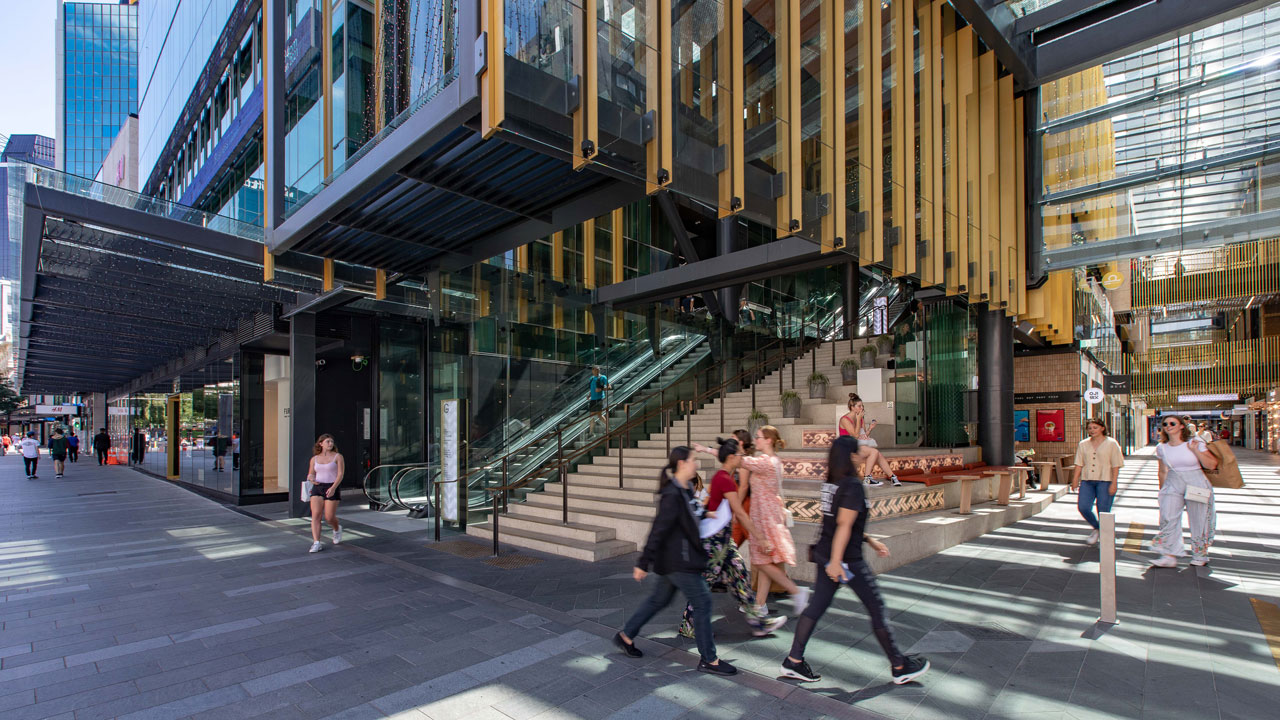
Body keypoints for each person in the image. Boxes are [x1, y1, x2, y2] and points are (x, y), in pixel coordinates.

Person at [779, 435, 931, 685]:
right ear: (850, 455)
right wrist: (838, 562)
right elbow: (843, 525)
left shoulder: (833, 483)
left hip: (827, 555)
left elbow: (844, 522)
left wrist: (870, 540)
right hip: (846, 560)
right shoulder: (851, 485)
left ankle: (794, 660)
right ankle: (900, 665)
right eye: (858, 449)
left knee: (816, 607)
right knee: (876, 607)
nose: (863, 451)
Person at [613, 447, 737, 676]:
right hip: (679, 561)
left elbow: (691, 512)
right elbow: (658, 530)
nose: (696, 464)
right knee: (703, 603)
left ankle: (625, 635)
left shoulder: (686, 488)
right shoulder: (671, 494)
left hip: (679, 559)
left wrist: (705, 514)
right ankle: (709, 659)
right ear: (681, 463)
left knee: (657, 601)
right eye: (693, 460)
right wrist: (643, 563)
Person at [678, 436, 787, 640]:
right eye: (739, 454)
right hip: (713, 541)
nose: (742, 456)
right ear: (730, 457)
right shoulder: (724, 479)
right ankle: (689, 624)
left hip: (723, 541)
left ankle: (759, 623)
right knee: (705, 584)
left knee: (741, 579)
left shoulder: (723, 476)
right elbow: (741, 513)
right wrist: (761, 538)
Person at [695, 426, 810, 618]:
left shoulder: (764, 462)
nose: (755, 440)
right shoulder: (774, 460)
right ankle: (760, 604)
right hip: (766, 513)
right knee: (764, 560)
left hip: (764, 516)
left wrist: (708, 450)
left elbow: (735, 458)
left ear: (769, 440)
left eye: (758, 437)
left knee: (761, 561)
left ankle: (796, 591)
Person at [1150, 415, 1218, 568]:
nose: (1168, 426)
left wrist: (1196, 451)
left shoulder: (1194, 442)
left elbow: (1212, 464)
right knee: (1167, 516)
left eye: (1172, 423)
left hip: (1196, 481)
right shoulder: (1162, 447)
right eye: (1165, 424)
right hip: (1173, 482)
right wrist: (1162, 490)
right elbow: (1162, 470)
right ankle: (1168, 554)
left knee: (1199, 517)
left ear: (1182, 426)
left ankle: (1200, 554)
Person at [1070, 418, 1124, 545]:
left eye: (1095, 427)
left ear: (1102, 428)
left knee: (1103, 510)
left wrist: (1114, 483)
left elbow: (1116, 465)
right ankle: (1097, 528)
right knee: (1083, 507)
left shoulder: (1112, 443)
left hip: (1105, 480)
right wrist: (1075, 480)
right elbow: (1079, 463)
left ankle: (1105, 539)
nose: (1092, 430)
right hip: (1087, 481)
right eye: (1089, 428)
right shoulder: (1083, 444)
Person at [839, 394, 900, 487]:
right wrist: (859, 419)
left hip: (858, 446)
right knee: (874, 452)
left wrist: (870, 429)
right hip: (848, 448)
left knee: (877, 454)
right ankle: (867, 478)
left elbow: (863, 436)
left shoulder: (860, 419)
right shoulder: (845, 419)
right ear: (852, 407)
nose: (862, 408)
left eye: (862, 406)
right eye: (859, 406)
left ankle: (892, 477)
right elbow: (855, 435)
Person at [307, 434, 344, 552]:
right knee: (316, 515)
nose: (330, 443)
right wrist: (311, 478)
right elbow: (311, 473)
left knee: (329, 517)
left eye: (332, 441)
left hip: (332, 486)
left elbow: (340, 474)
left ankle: (337, 529)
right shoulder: (314, 459)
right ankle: (316, 542)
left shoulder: (338, 457)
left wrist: (333, 488)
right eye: (328, 441)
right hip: (318, 487)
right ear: (320, 443)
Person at [587, 366, 611, 435]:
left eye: (598, 370)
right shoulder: (591, 378)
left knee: (599, 415)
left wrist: (601, 389)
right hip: (593, 399)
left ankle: (608, 428)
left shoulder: (603, 377)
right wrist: (589, 395)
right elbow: (592, 388)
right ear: (592, 370)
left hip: (600, 398)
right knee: (591, 416)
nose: (597, 371)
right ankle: (591, 432)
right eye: (596, 370)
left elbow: (609, 387)